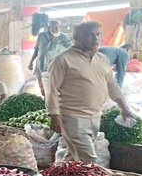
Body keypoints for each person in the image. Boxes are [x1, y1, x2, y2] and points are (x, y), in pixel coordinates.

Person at [47, 21, 136, 163]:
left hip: (95, 117)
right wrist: (54, 114)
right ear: (76, 37)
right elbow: (51, 90)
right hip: (72, 117)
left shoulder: (102, 59)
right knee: (88, 160)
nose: (95, 38)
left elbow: (112, 86)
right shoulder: (62, 60)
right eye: (89, 35)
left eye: (98, 34)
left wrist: (125, 108)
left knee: (73, 159)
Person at [28, 19, 73, 97]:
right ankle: (47, 104)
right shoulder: (41, 35)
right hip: (40, 66)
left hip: (54, 67)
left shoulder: (64, 38)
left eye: (57, 27)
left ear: (60, 27)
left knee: (53, 89)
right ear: (48, 27)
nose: (55, 29)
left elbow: (71, 51)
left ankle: (53, 105)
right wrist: (31, 62)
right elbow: (37, 49)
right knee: (42, 89)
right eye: (53, 27)